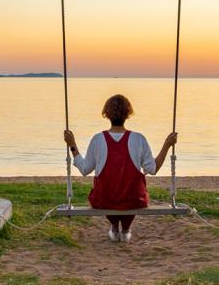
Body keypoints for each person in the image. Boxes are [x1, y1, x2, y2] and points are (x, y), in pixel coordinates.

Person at [64, 94, 177, 243]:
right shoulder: (139, 139)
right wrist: (167, 144)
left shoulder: (98, 139)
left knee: (110, 192)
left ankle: (115, 227)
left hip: (104, 200)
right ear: (128, 114)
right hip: (134, 200)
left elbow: (85, 169)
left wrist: (72, 145)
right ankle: (125, 230)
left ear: (107, 114)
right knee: (130, 192)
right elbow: (153, 169)